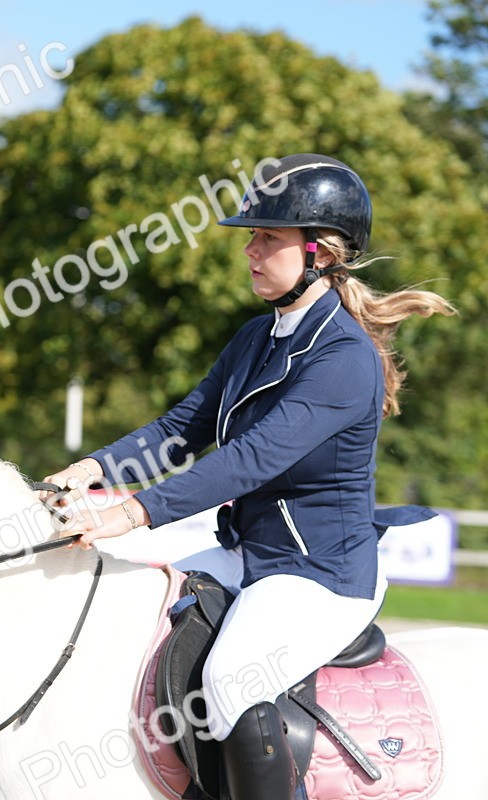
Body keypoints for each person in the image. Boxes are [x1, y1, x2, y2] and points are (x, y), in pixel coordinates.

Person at [42, 154, 455, 800]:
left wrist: (129, 511)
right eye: (251, 238)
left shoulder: (345, 359)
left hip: (319, 575)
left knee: (233, 679)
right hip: (250, 549)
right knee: (119, 590)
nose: (251, 251)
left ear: (318, 253)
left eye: (268, 238)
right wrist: (91, 469)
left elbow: (251, 458)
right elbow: (182, 429)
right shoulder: (255, 338)